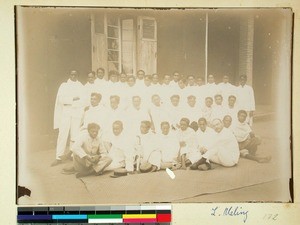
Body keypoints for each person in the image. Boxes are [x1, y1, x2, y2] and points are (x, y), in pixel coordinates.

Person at [52, 70, 85, 166]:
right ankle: (59, 156)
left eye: (75, 74)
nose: (73, 76)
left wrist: (70, 100)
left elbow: (83, 100)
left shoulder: (81, 86)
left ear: (77, 75)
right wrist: (74, 98)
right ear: (69, 75)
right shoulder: (64, 86)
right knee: (63, 133)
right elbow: (62, 100)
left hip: (77, 111)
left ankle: (72, 155)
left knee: (74, 134)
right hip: (66, 111)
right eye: (72, 74)